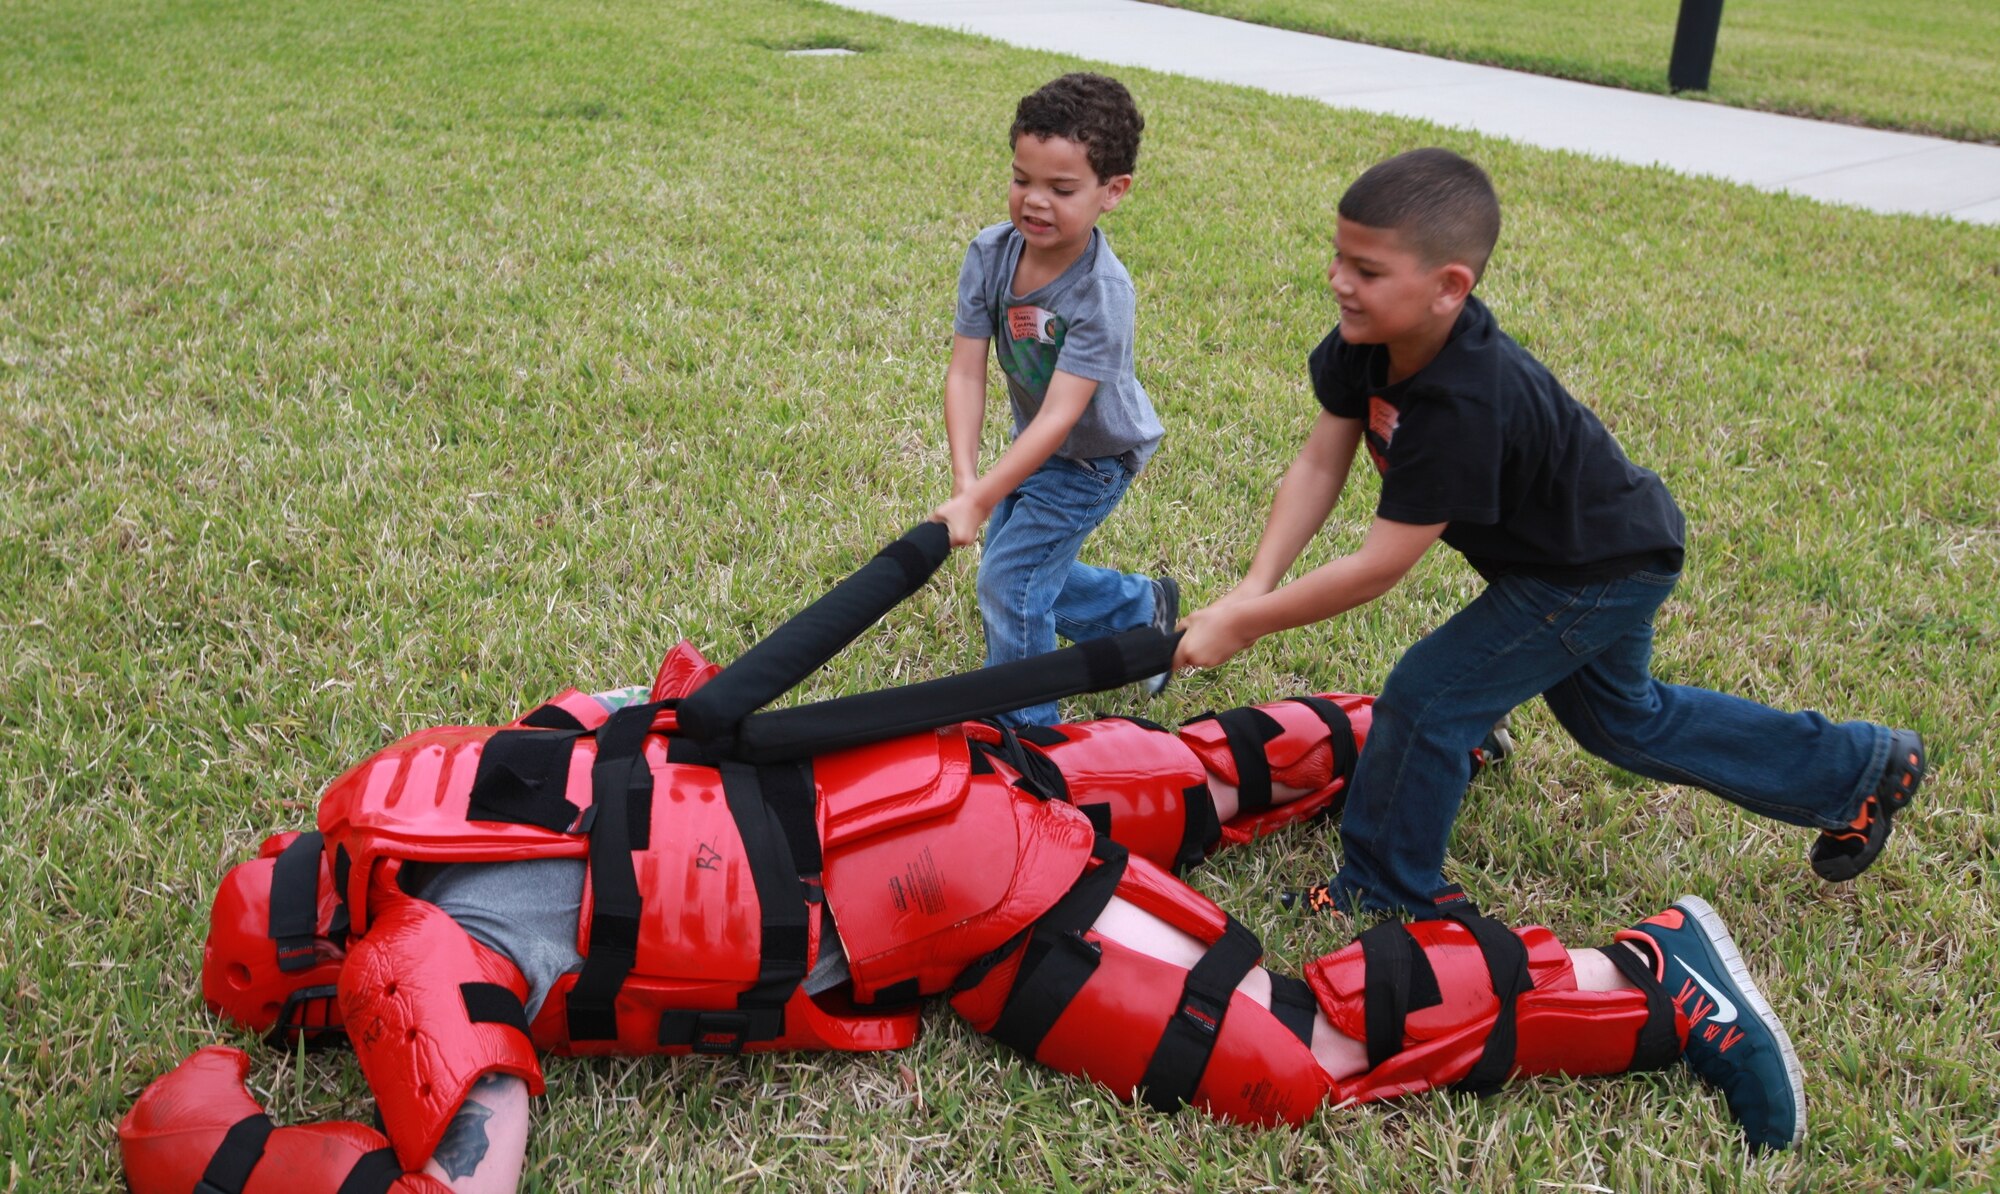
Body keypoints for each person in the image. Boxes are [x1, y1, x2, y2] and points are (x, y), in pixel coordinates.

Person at [120, 665, 1804, 1194]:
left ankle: (1649, 978)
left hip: (953, 897)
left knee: (1295, 1050)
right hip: (912, 754)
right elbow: (652, 695)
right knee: (1175, 773)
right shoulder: (429, 769)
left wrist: (229, 1150)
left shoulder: (408, 956)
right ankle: (1400, 724)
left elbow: (464, 1174)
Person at [1172, 148, 1926, 920]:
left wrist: (1246, 624)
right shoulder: (1367, 343)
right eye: (1339, 256)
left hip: (1596, 569)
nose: (1338, 280)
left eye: (1366, 270)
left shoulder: (1460, 403)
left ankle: (1387, 892)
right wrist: (1253, 585)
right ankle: (1859, 770)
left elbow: (1378, 567)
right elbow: (1319, 463)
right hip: (1568, 556)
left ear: (1449, 288)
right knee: (1621, 721)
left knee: (1429, 698)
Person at [931, 72, 1176, 723]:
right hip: (1037, 446)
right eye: (1022, 179)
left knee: (1009, 581)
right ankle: (1138, 611)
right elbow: (966, 372)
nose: (1034, 201)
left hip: (1093, 458)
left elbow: (1066, 411)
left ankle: (1028, 735)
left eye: (1061, 189)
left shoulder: (1101, 293)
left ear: (1112, 192)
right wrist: (965, 482)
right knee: (1026, 575)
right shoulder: (989, 255)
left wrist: (981, 499)